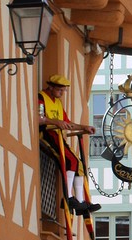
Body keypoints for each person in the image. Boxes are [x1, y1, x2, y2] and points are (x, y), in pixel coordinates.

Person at [39, 74, 101, 215]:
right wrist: (55, 122)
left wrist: (83, 127)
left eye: (64, 90)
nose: (62, 93)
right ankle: (69, 196)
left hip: (57, 135)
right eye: (60, 90)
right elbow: (38, 119)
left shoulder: (58, 103)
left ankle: (79, 201)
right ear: (51, 87)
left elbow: (67, 124)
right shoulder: (41, 98)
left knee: (78, 164)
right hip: (47, 134)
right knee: (70, 160)